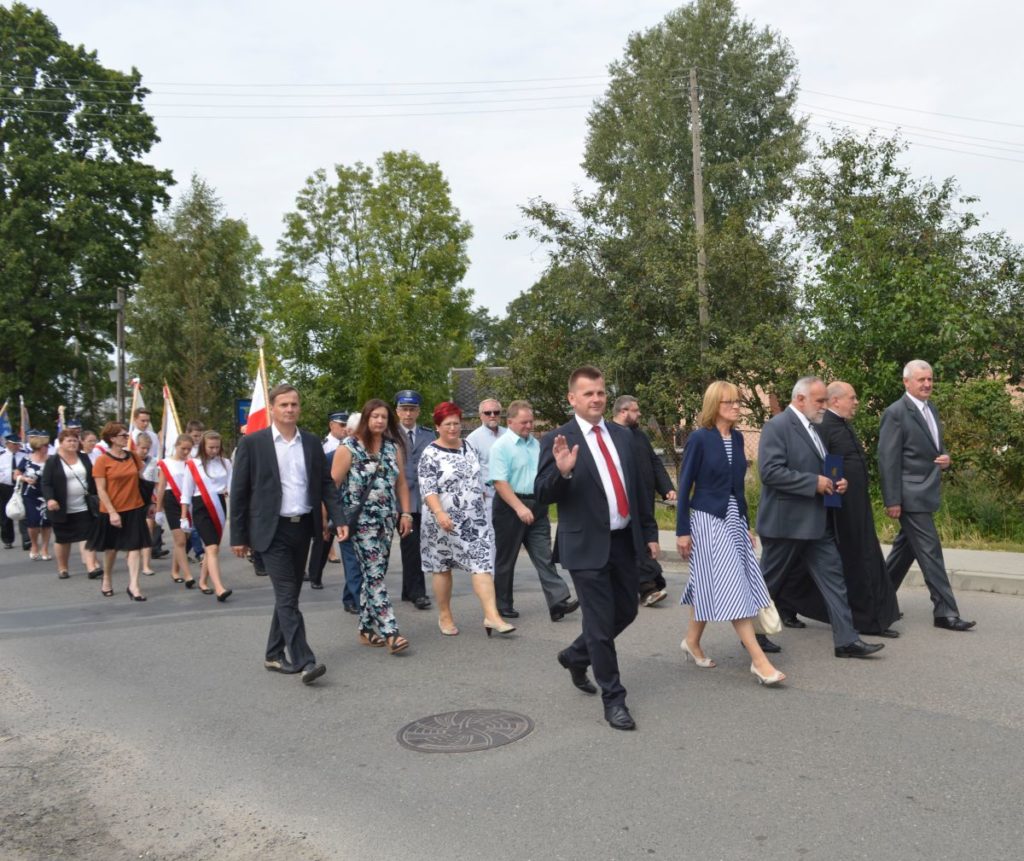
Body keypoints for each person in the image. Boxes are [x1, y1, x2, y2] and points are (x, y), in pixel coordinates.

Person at [535, 366, 659, 731]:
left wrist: (649, 532)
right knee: (600, 623)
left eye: (601, 392)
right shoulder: (558, 438)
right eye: (588, 393)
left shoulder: (623, 436)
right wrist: (562, 472)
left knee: (627, 611)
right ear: (572, 398)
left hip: (623, 540)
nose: (596, 399)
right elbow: (542, 493)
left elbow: (638, 488)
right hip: (585, 545)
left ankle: (576, 655)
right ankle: (614, 699)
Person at [756, 377, 883, 659]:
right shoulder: (778, 426)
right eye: (820, 401)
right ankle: (753, 635)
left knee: (834, 579)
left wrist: (836, 483)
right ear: (800, 399)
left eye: (826, 400)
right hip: (786, 524)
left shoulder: (813, 427)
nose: (825, 406)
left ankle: (847, 640)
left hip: (816, 523)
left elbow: (821, 468)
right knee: (767, 583)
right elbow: (770, 472)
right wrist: (814, 483)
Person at [231, 384, 343, 685]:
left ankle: (273, 653)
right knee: (286, 595)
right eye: (283, 404)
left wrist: (339, 517)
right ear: (272, 408)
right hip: (271, 531)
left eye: (294, 404)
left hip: (302, 527)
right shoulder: (253, 443)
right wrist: (238, 536)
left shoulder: (311, 442)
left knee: (289, 596)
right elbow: (239, 492)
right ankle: (305, 660)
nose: (289, 409)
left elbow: (325, 484)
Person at [675, 382, 784, 686]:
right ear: (714, 405)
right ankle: (759, 662)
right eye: (729, 402)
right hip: (708, 519)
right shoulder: (699, 438)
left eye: (738, 401)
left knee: (710, 582)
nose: (736, 407)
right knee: (733, 584)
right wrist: (682, 531)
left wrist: (745, 524)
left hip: (733, 518)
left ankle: (691, 641)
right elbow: (685, 486)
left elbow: (737, 488)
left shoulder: (736, 438)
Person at [879, 360, 974, 631]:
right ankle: (945, 612)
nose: (927, 384)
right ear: (906, 382)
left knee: (903, 553)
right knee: (931, 552)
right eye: (921, 380)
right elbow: (887, 460)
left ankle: (876, 602)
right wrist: (892, 500)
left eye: (930, 379)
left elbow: (933, 448)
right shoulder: (896, 412)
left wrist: (945, 458)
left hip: (926, 490)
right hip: (910, 495)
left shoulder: (931, 408)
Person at [803, 381, 900, 636]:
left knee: (867, 557)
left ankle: (877, 615)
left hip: (857, 506)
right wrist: (835, 494)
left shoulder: (842, 425)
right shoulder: (824, 425)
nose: (856, 402)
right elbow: (826, 463)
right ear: (836, 400)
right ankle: (867, 619)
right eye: (852, 397)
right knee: (857, 561)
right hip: (843, 510)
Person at [419, 401, 516, 638]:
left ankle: (492, 615)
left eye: (456, 423)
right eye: (447, 424)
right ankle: (445, 615)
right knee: (443, 568)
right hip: (442, 522)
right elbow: (428, 489)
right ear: (437, 426)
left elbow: (476, 477)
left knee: (482, 563)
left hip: (474, 520)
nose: (453, 428)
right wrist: (440, 513)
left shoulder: (468, 446)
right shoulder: (430, 454)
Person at [333, 399, 414, 655]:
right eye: (375, 416)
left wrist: (406, 513)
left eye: (384, 417)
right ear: (366, 419)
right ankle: (391, 631)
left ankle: (366, 629)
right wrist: (333, 520)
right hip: (360, 522)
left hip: (386, 520)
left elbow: (401, 483)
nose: (379, 421)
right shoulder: (349, 447)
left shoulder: (392, 447)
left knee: (375, 573)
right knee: (375, 574)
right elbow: (333, 484)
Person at [489, 399, 577, 622]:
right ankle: (502, 605)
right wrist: (519, 508)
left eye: (531, 421)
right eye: (524, 422)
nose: (529, 426)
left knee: (544, 555)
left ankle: (558, 601)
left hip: (537, 506)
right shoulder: (501, 447)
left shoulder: (536, 445)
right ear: (510, 422)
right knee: (506, 559)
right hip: (510, 506)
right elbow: (499, 482)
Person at [612, 395, 677, 607]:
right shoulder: (610, 435)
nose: (639, 414)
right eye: (635, 410)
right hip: (624, 502)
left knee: (646, 540)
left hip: (645, 500)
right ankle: (648, 587)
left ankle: (651, 583)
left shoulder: (639, 436)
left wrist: (666, 488)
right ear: (623, 412)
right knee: (635, 543)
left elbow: (654, 462)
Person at [87, 422, 152, 601]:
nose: (126, 438)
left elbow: (141, 480)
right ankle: (107, 578)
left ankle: (134, 585)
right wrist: (112, 512)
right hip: (112, 510)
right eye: (123, 435)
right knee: (112, 549)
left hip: (135, 507)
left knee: (135, 547)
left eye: (126, 435)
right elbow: (100, 489)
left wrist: (150, 502)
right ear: (112, 438)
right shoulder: (102, 460)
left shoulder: (133, 456)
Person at [41, 429, 101, 580]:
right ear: (61, 443)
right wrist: (50, 499)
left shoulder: (84, 457)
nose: (73, 443)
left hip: (84, 505)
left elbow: (91, 478)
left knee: (88, 535)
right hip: (61, 507)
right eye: (69, 440)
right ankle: (63, 568)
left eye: (75, 440)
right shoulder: (52, 461)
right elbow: (46, 483)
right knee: (63, 539)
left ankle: (91, 567)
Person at [181, 431, 233, 601]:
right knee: (212, 548)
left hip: (219, 505)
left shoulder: (226, 463)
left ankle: (203, 581)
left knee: (213, 548)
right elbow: (186, 493)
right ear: (203, 446)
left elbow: (231, 486)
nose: (214, 450)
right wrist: (184, 516)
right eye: (211, 447)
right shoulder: (193, 464)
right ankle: (219, 588)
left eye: (217, 447)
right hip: (201, 506)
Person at [395, 390, 434, 610]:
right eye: (404, 409)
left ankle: (409, 590)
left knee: (415, 545)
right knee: (411, 544)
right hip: (399, 501)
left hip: (423, 499)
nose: (408, 414)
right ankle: (417, 592)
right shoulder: (389, 435)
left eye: (412, 409)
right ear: (397, 411)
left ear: (418, 412)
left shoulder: (428, 435)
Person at [465, 398, 508, 571]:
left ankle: (504, 575)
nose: (492, 415)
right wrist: (480, 493)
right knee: (491, 537)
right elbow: (471, 470)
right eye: (488, 412)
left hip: (511, 495)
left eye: (496, 412)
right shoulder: (473, 439)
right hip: (489, 496)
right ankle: (493, 577)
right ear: (480, 415)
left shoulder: (509, 435)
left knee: (508, 538)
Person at [154, 433, 196, 588]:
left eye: (189, 449)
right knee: (180, 540)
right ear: (176, 446)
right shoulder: (166, 463)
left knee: (184, 538)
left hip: (187, 501)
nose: (186, 452)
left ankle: (175, 571)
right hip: (171, 499)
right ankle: (188, 575)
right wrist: (158, 509)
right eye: (183, 448)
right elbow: (161, 487)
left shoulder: (191, 463)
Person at [14, 432, 53, 561]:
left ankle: (45, 548)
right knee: (33, 522)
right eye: (45, 446)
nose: (47, 448)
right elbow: (16, 474)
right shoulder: (27, 459)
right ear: (38, 447)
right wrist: (25, 479)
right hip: (30, 494)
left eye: (47, 445)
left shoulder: (51, 459)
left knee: (47, 522)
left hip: (47, 494)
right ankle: (35, 545)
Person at [133, 433, 159, 577]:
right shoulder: (130, 459)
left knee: (148, 530)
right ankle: (133, 559)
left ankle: (146, 565)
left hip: (148, 498)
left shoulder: (153, 461)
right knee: (133, 531)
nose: (145, 451)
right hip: (132, 500)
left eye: (147, 448)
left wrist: (157, 502)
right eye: (142, 448)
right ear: (136, 446)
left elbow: (156, 483)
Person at [0, 434, 20, 549]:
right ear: (7, 444)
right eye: (14, 444)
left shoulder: (24, 455)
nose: (16, 446)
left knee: (23, 511)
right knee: (5, 513)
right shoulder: (1, 456)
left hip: (20, 485)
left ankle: (27, 539)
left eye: (17, 444)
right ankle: (7, 539)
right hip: (5, 487)